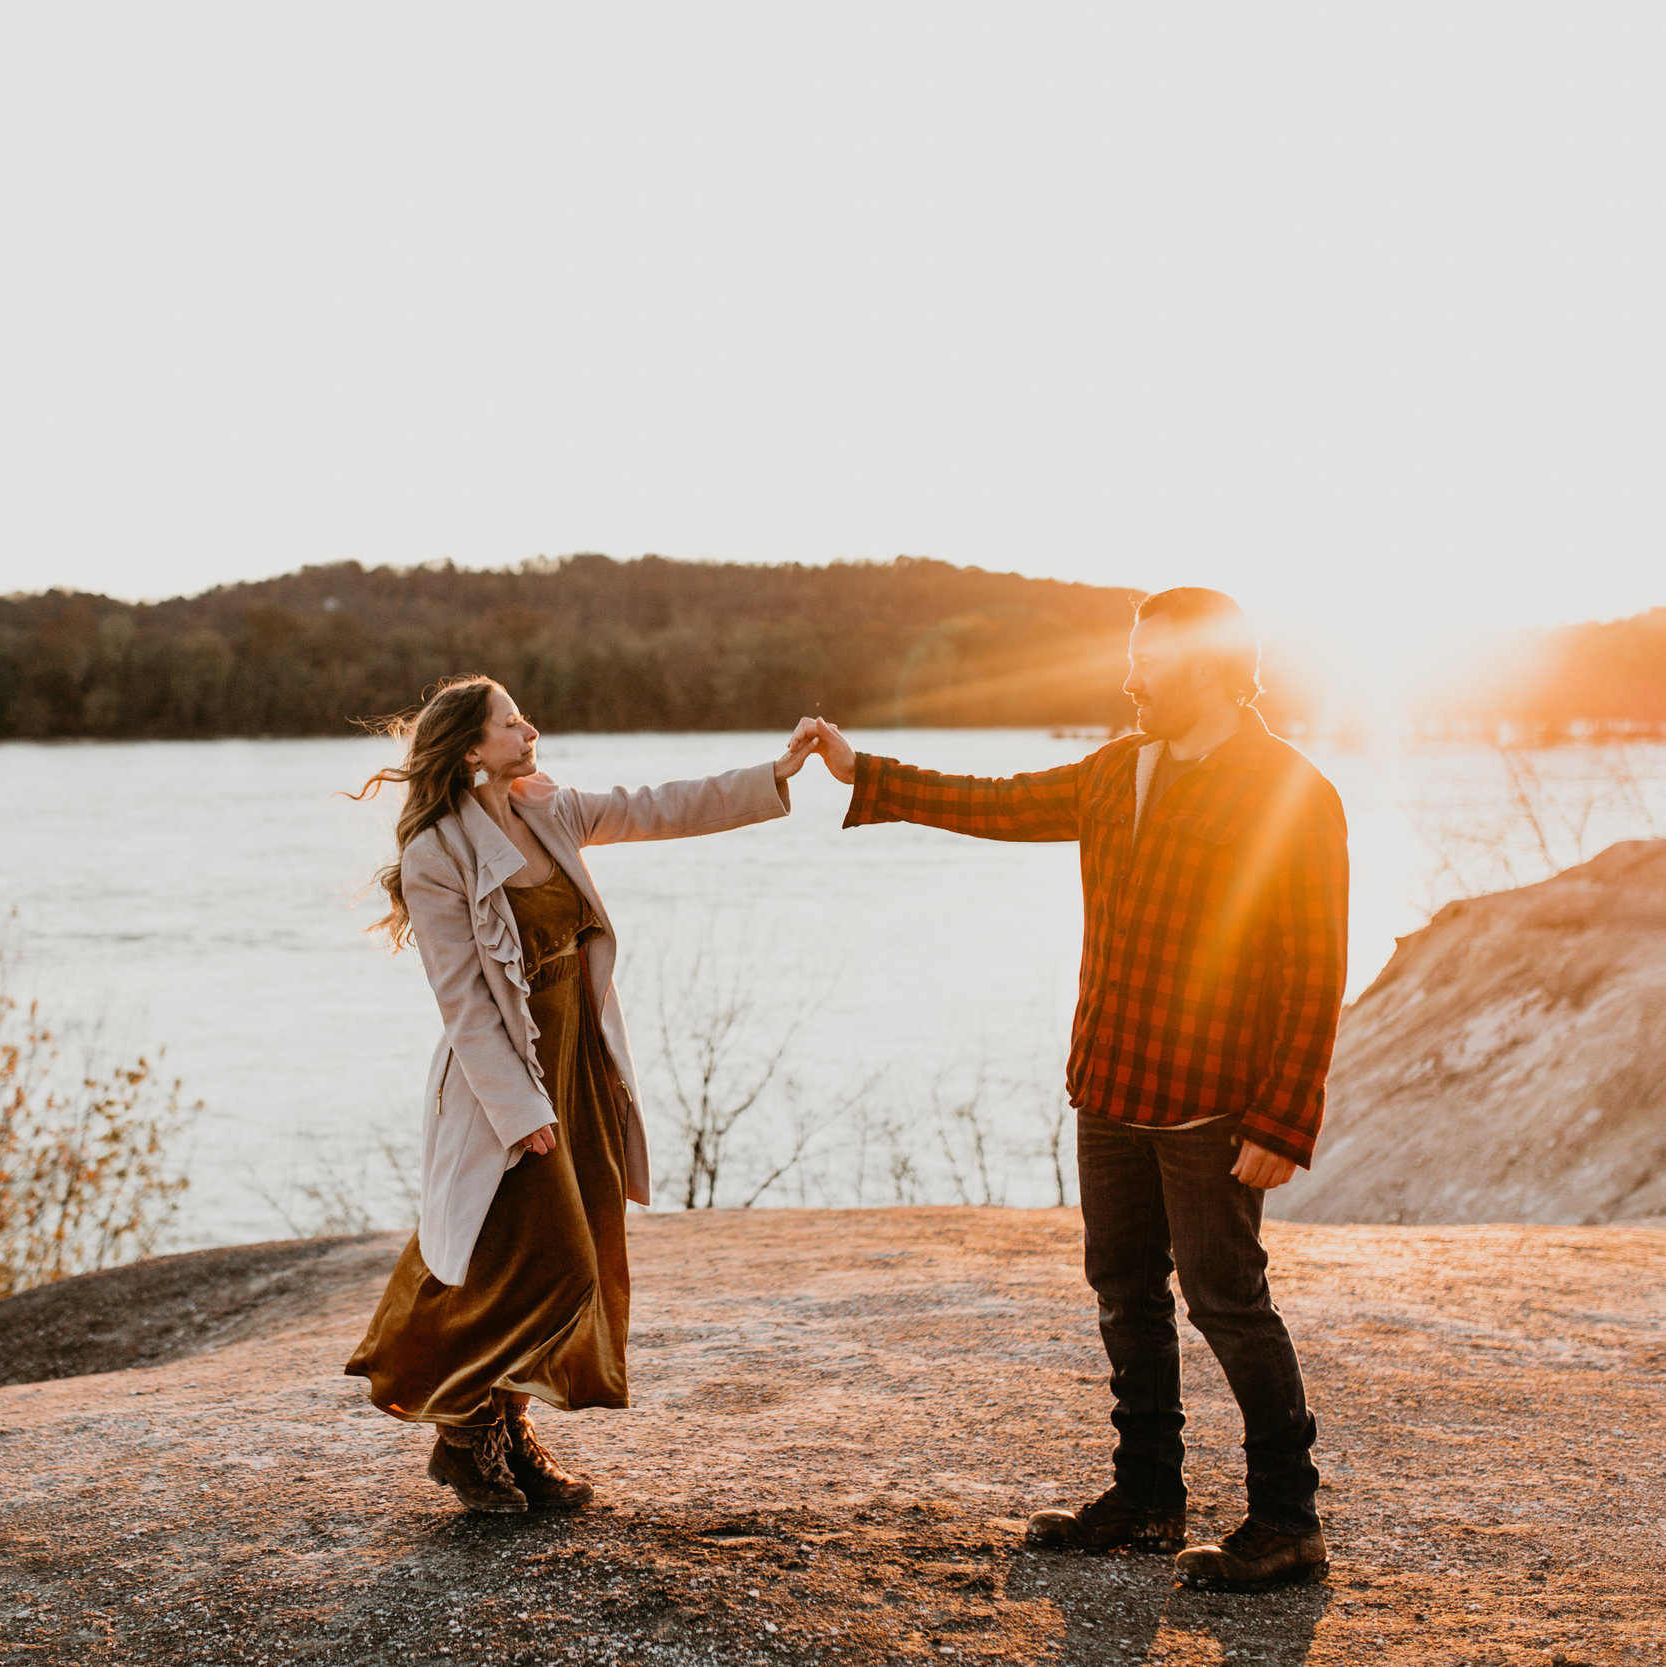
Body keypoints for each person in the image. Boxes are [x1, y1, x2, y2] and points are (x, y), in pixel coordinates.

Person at [800, 588, 1348, 1591]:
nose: (1132, 677)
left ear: (1217, 669)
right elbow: (998, 803)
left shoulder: (1288, 791)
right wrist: (864, 771)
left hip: (1212, 1103)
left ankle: (1286, 1519)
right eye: (1132, 656)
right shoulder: (1114, 769)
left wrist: (1283, 1115)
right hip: (1109, 1087)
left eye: (1154, 661)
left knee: (1228, 1304)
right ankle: (1145, 1496)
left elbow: (1312, 969)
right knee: (1123, 1293)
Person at [343, 675, 812, 1512]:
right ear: (471, 748)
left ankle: (510, 1430)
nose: (529, 729)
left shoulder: (548, 809)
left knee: (584, 1248)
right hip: (508, 1085)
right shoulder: (436, 855)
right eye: (509, 722)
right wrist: (521, 1114)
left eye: (522, 717)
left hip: (579, 1064)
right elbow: (466, 1005)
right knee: (538, 1260)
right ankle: (461, 1430)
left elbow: (659, 806)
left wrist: (775, 773)